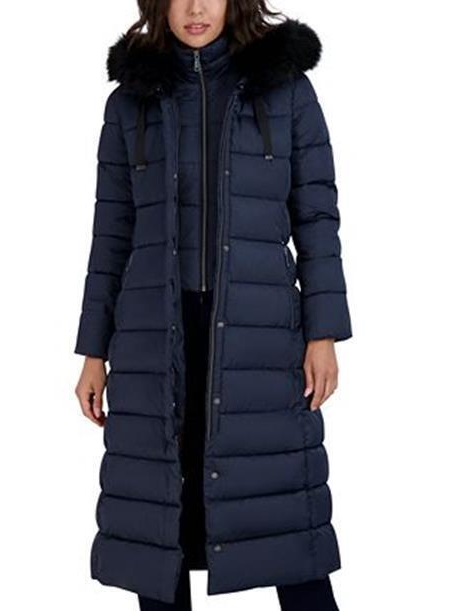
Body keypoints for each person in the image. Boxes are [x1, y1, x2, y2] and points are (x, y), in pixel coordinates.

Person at [74, 1, 352, 609]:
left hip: (261, 333)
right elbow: (111, 234)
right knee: (157, 521)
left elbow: (316, 216)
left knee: (284, 508)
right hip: (153, 336)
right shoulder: (129, 103)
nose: (196, 8)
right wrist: (93, 351)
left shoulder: (287, 91)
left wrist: (323, 332)